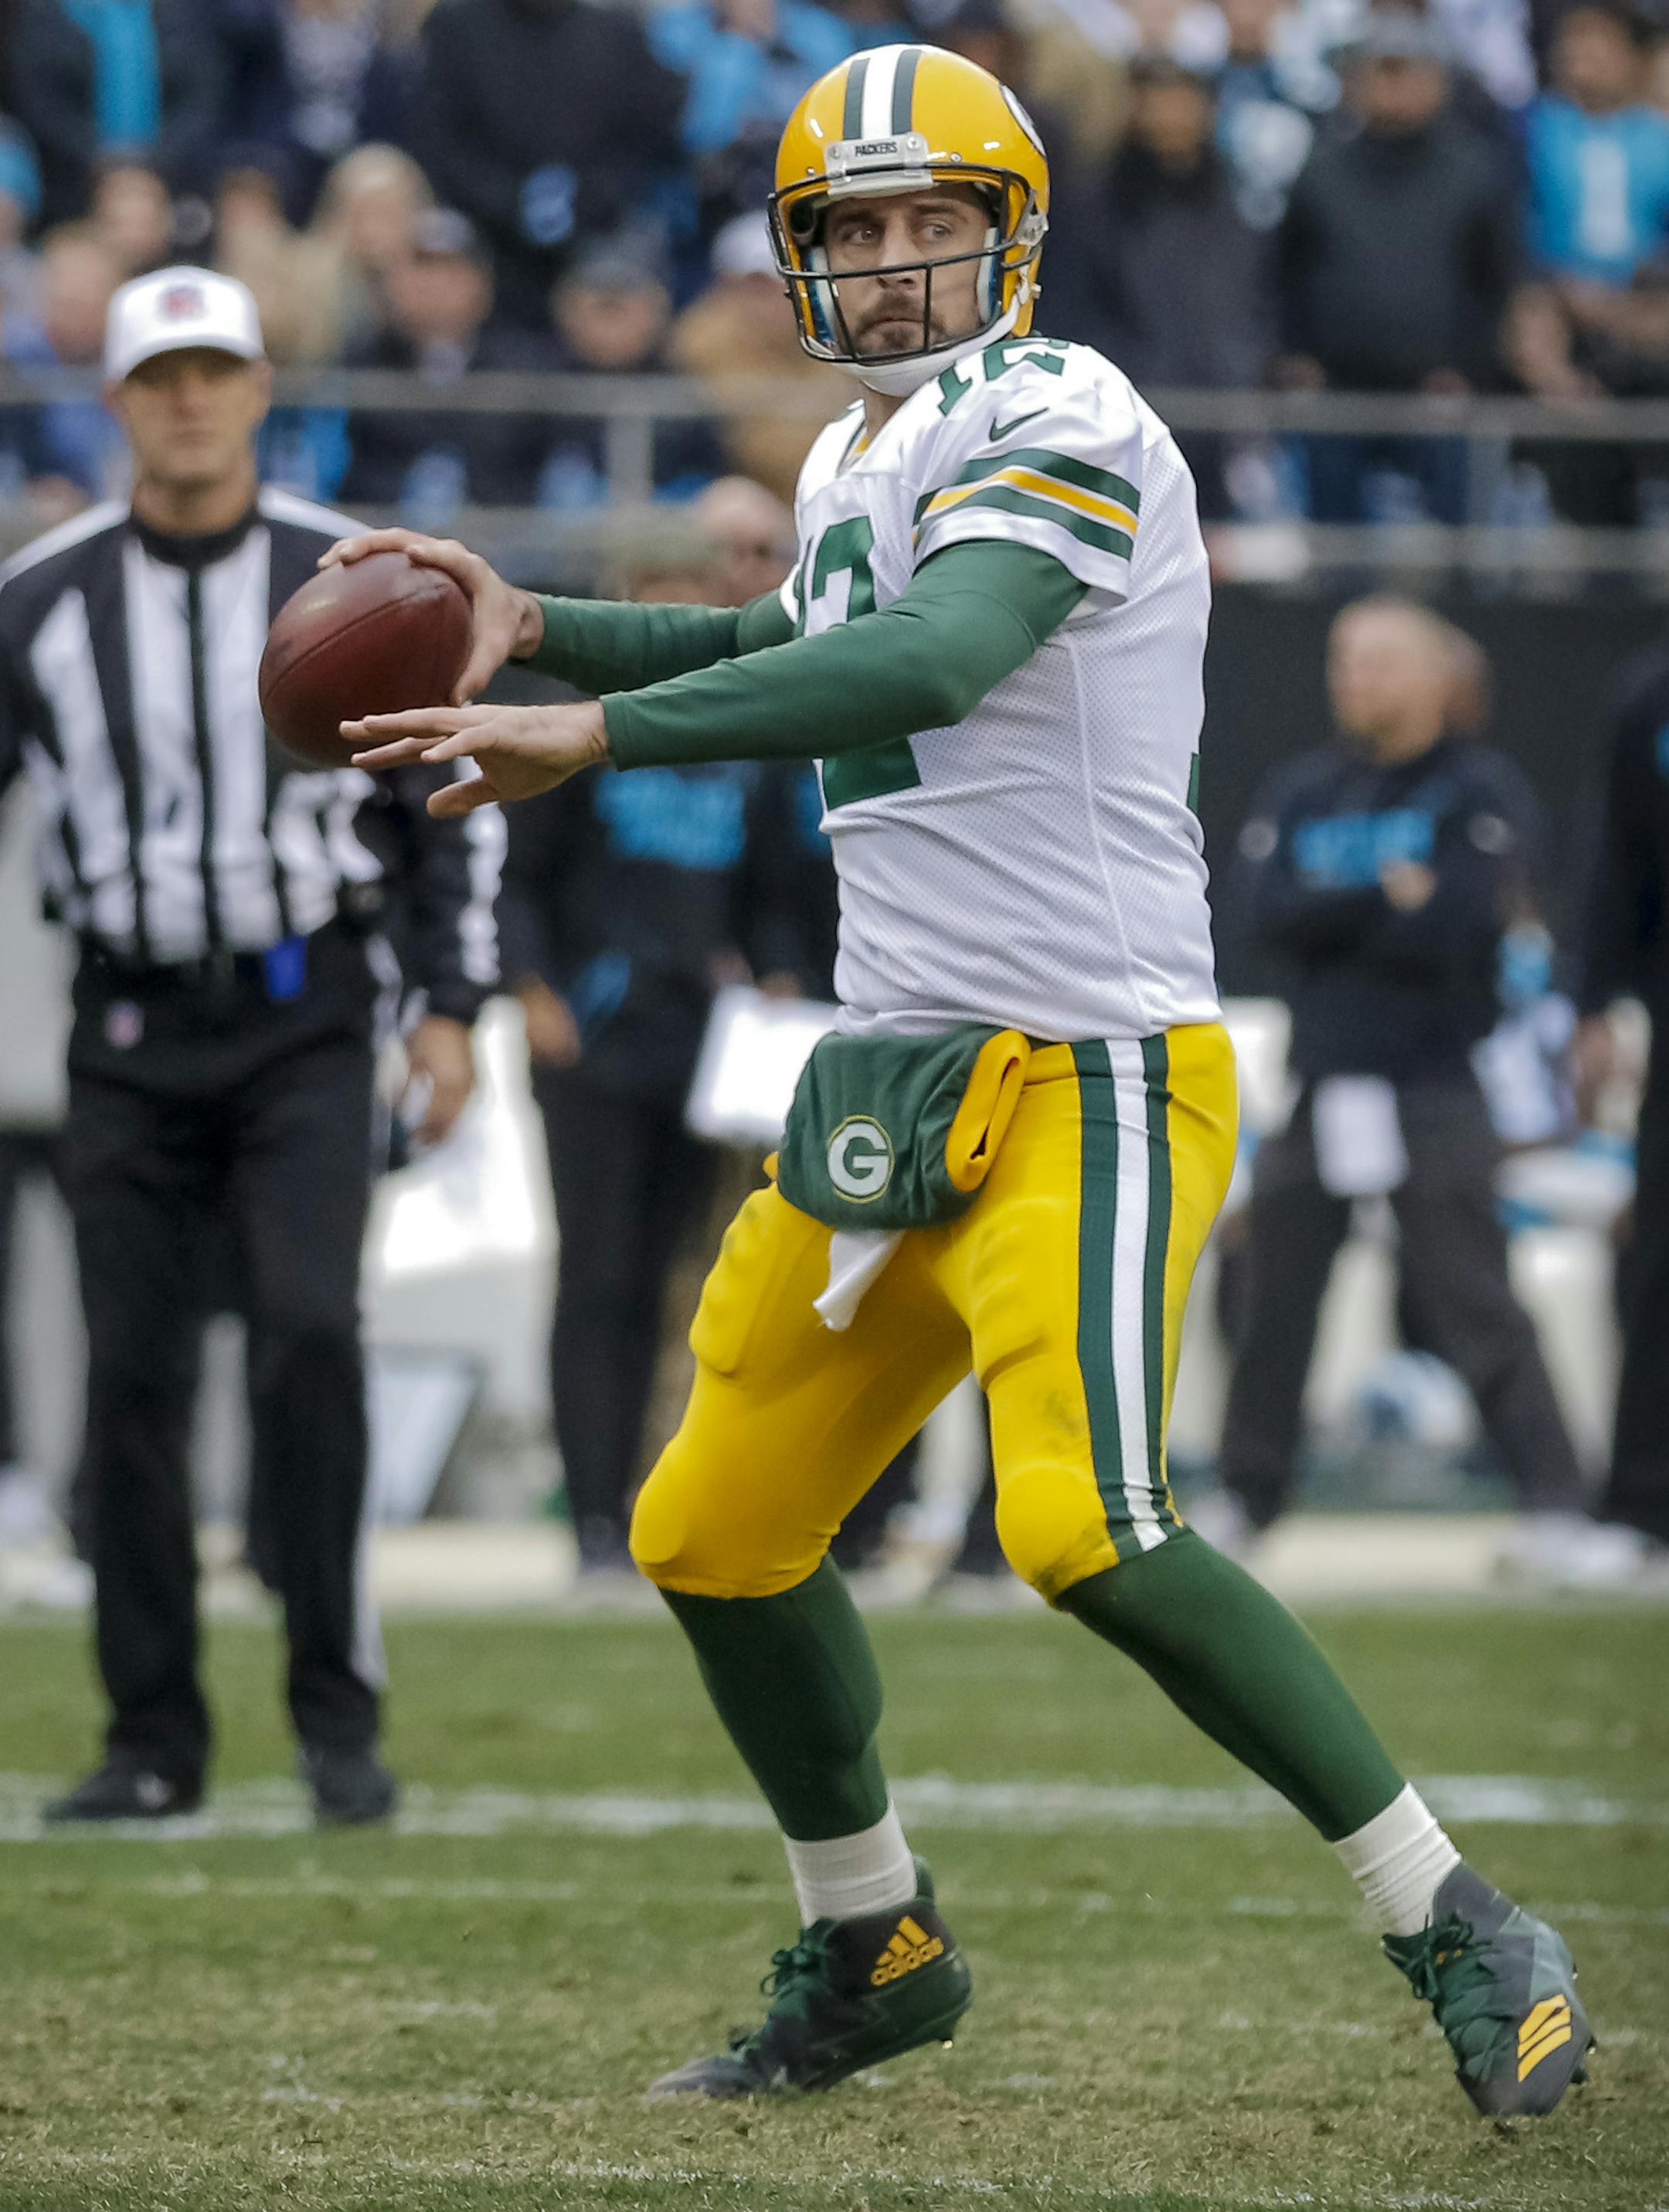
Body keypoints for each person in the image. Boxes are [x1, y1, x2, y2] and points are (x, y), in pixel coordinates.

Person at [334, 46, 1593, 2119]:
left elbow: (929, 661)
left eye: (938, 222)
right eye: (860, 230)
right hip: (895, 1077)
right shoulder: (856, 460)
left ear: (1010, 233)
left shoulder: (1070, 413)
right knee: (713, 1524)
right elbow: (803, 631)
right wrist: (537, 622)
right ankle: (875, 1934)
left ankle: (1455, 1910)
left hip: (1092, 1062)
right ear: (804, 262)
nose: (904, 264)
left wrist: (594, 740)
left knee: (1082, 1519)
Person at [0, 265, 502, 1824]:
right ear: (121, 400)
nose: (192, 399)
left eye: (217, 370)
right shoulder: (42, 601)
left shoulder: (345, 578)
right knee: (133, 1383)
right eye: (163, 378)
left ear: (261, 386)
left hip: (305, 1012)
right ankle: (152, 1735)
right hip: (130, 1022)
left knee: (309, 1339)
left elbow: (449, 793)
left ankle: (335, 1714)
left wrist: (451, 1003)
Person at [1211, 597, 1636, 1585]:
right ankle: (1248, 1493)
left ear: (1437, 676)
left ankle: (1557, 1505)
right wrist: (1383, 898)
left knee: (1476, 1299)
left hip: (1433, 1084)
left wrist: (1352, 915)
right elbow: (1262, 914)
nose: (1356, 677)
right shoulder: (1304, 787)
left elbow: (1462, 923)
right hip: (1323, 1083)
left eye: (1379, 661)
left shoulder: (1476, 788)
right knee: (1272, 1295)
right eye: (1344, 658)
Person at [1276, 9, 1521, 525]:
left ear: (1437, 80)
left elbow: (1497, 284)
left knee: (1456, 544)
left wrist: (1471, 369)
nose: (1393, 84)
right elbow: (1285, 274)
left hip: (1441, 390)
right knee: (1332, 550)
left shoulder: (1474, 174)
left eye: (1406, 69)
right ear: (1355, 82)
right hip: (1339, 387)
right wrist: (1296, 355)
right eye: (1380, 70)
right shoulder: (1321, 171)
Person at [402, 0, 685, 331]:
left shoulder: (618, 33)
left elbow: (646, 135)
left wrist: (583, 198)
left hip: (598, 228)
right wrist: (508, 199)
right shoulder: (457, 26)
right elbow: (437, 133)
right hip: (483, 230)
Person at [1570, 643, 1669, 1563]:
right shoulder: (1649, 692)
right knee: (1656, 1264)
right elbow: (1620, 858)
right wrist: (1595, 1003)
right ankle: (1640, 1506)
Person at [339, 207, 552, 518]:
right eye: (421, 268)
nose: (434, 285)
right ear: (392, 283)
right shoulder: (358, 361)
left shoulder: (525, 366)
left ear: (482, 284)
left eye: (450, 269)